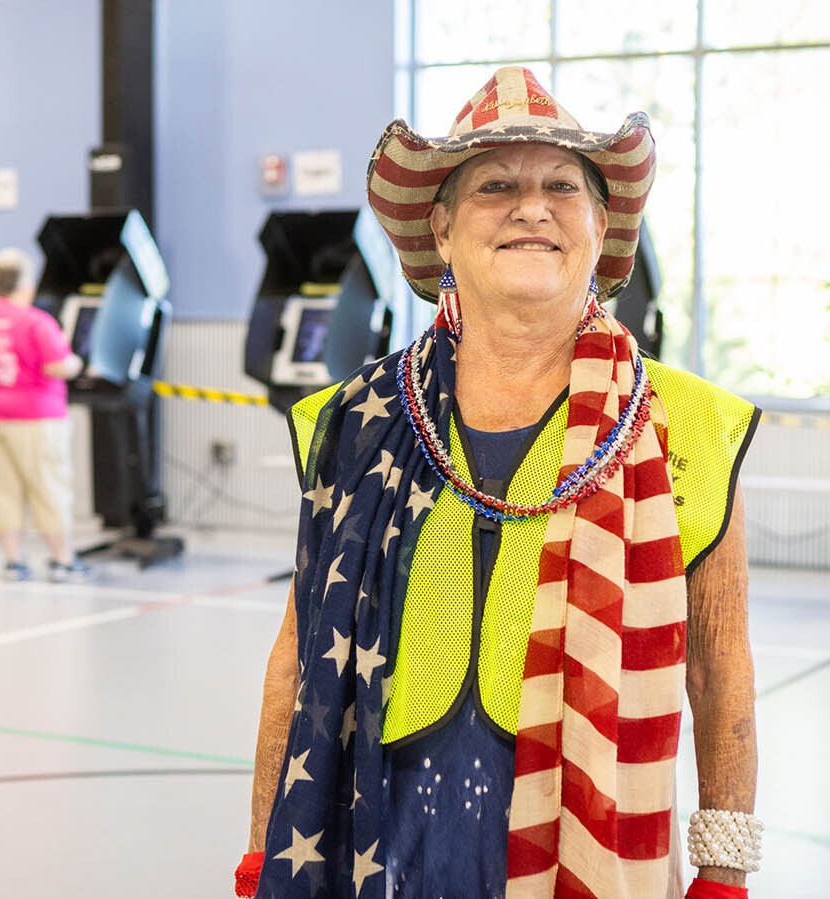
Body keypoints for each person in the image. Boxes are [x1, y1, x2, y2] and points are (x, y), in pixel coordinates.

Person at [237, 67, 762, 899]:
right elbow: (298, 656)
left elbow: (721, 666)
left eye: (563, 185)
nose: (532, 205)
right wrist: (266, 846)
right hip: (379, 847)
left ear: (599, 228)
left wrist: (723, 869)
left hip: (593, 853)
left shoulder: (685, 424)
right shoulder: (351, 420)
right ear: (441, 232)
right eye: (495, 184)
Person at [0, 247, 90, 582]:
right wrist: (79, 362)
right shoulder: (36, 322)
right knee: (48, 485)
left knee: (1, 488)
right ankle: (62, 559)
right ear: (26, 285)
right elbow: (58, 366)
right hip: (34, 417)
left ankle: (13, 560)